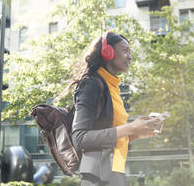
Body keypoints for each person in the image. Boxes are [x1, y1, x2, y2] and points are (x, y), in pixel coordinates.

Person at [69, 31, 164, 186]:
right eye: (125, 51)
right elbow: (80, 138)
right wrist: (131, 127)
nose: (130, 56)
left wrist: (139, 132)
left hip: (114, 171)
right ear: (108, 52)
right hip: (98, 176)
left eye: (130, 52)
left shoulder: (113, 87)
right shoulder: (91, 84)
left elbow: (111, 137)